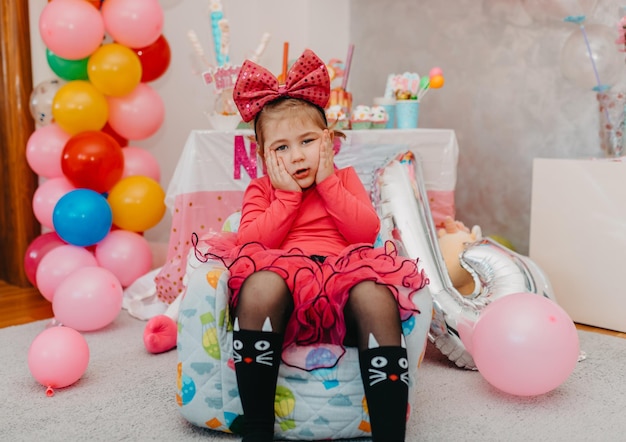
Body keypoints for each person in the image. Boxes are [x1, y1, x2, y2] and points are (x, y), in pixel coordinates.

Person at [146, 49, 428, 441]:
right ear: (263, 157)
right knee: (259, 284)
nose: (296, 156)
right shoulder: (261, 190)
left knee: (376, 294)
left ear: (328, 143)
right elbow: (252, 242)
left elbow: (364, 232)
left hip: (341, 284)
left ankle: (389, 430)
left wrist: (329, 184)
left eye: (307, 141)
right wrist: (288, 197)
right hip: (284, 294)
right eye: (281, 148)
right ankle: (258, 427)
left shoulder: (344, 181)